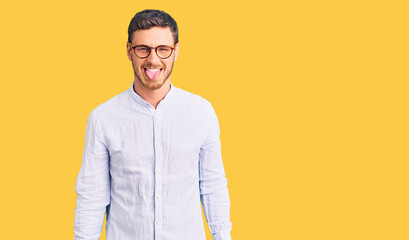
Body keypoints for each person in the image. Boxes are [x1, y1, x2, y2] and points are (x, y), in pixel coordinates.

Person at [74, 9, 232, 240]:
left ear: (175, 51)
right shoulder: (103, 118)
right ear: (129, 50)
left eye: (163, 49)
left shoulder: (201, 112)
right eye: (143, 49)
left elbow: (212, 185)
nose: (153, 59)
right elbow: (92, 196)